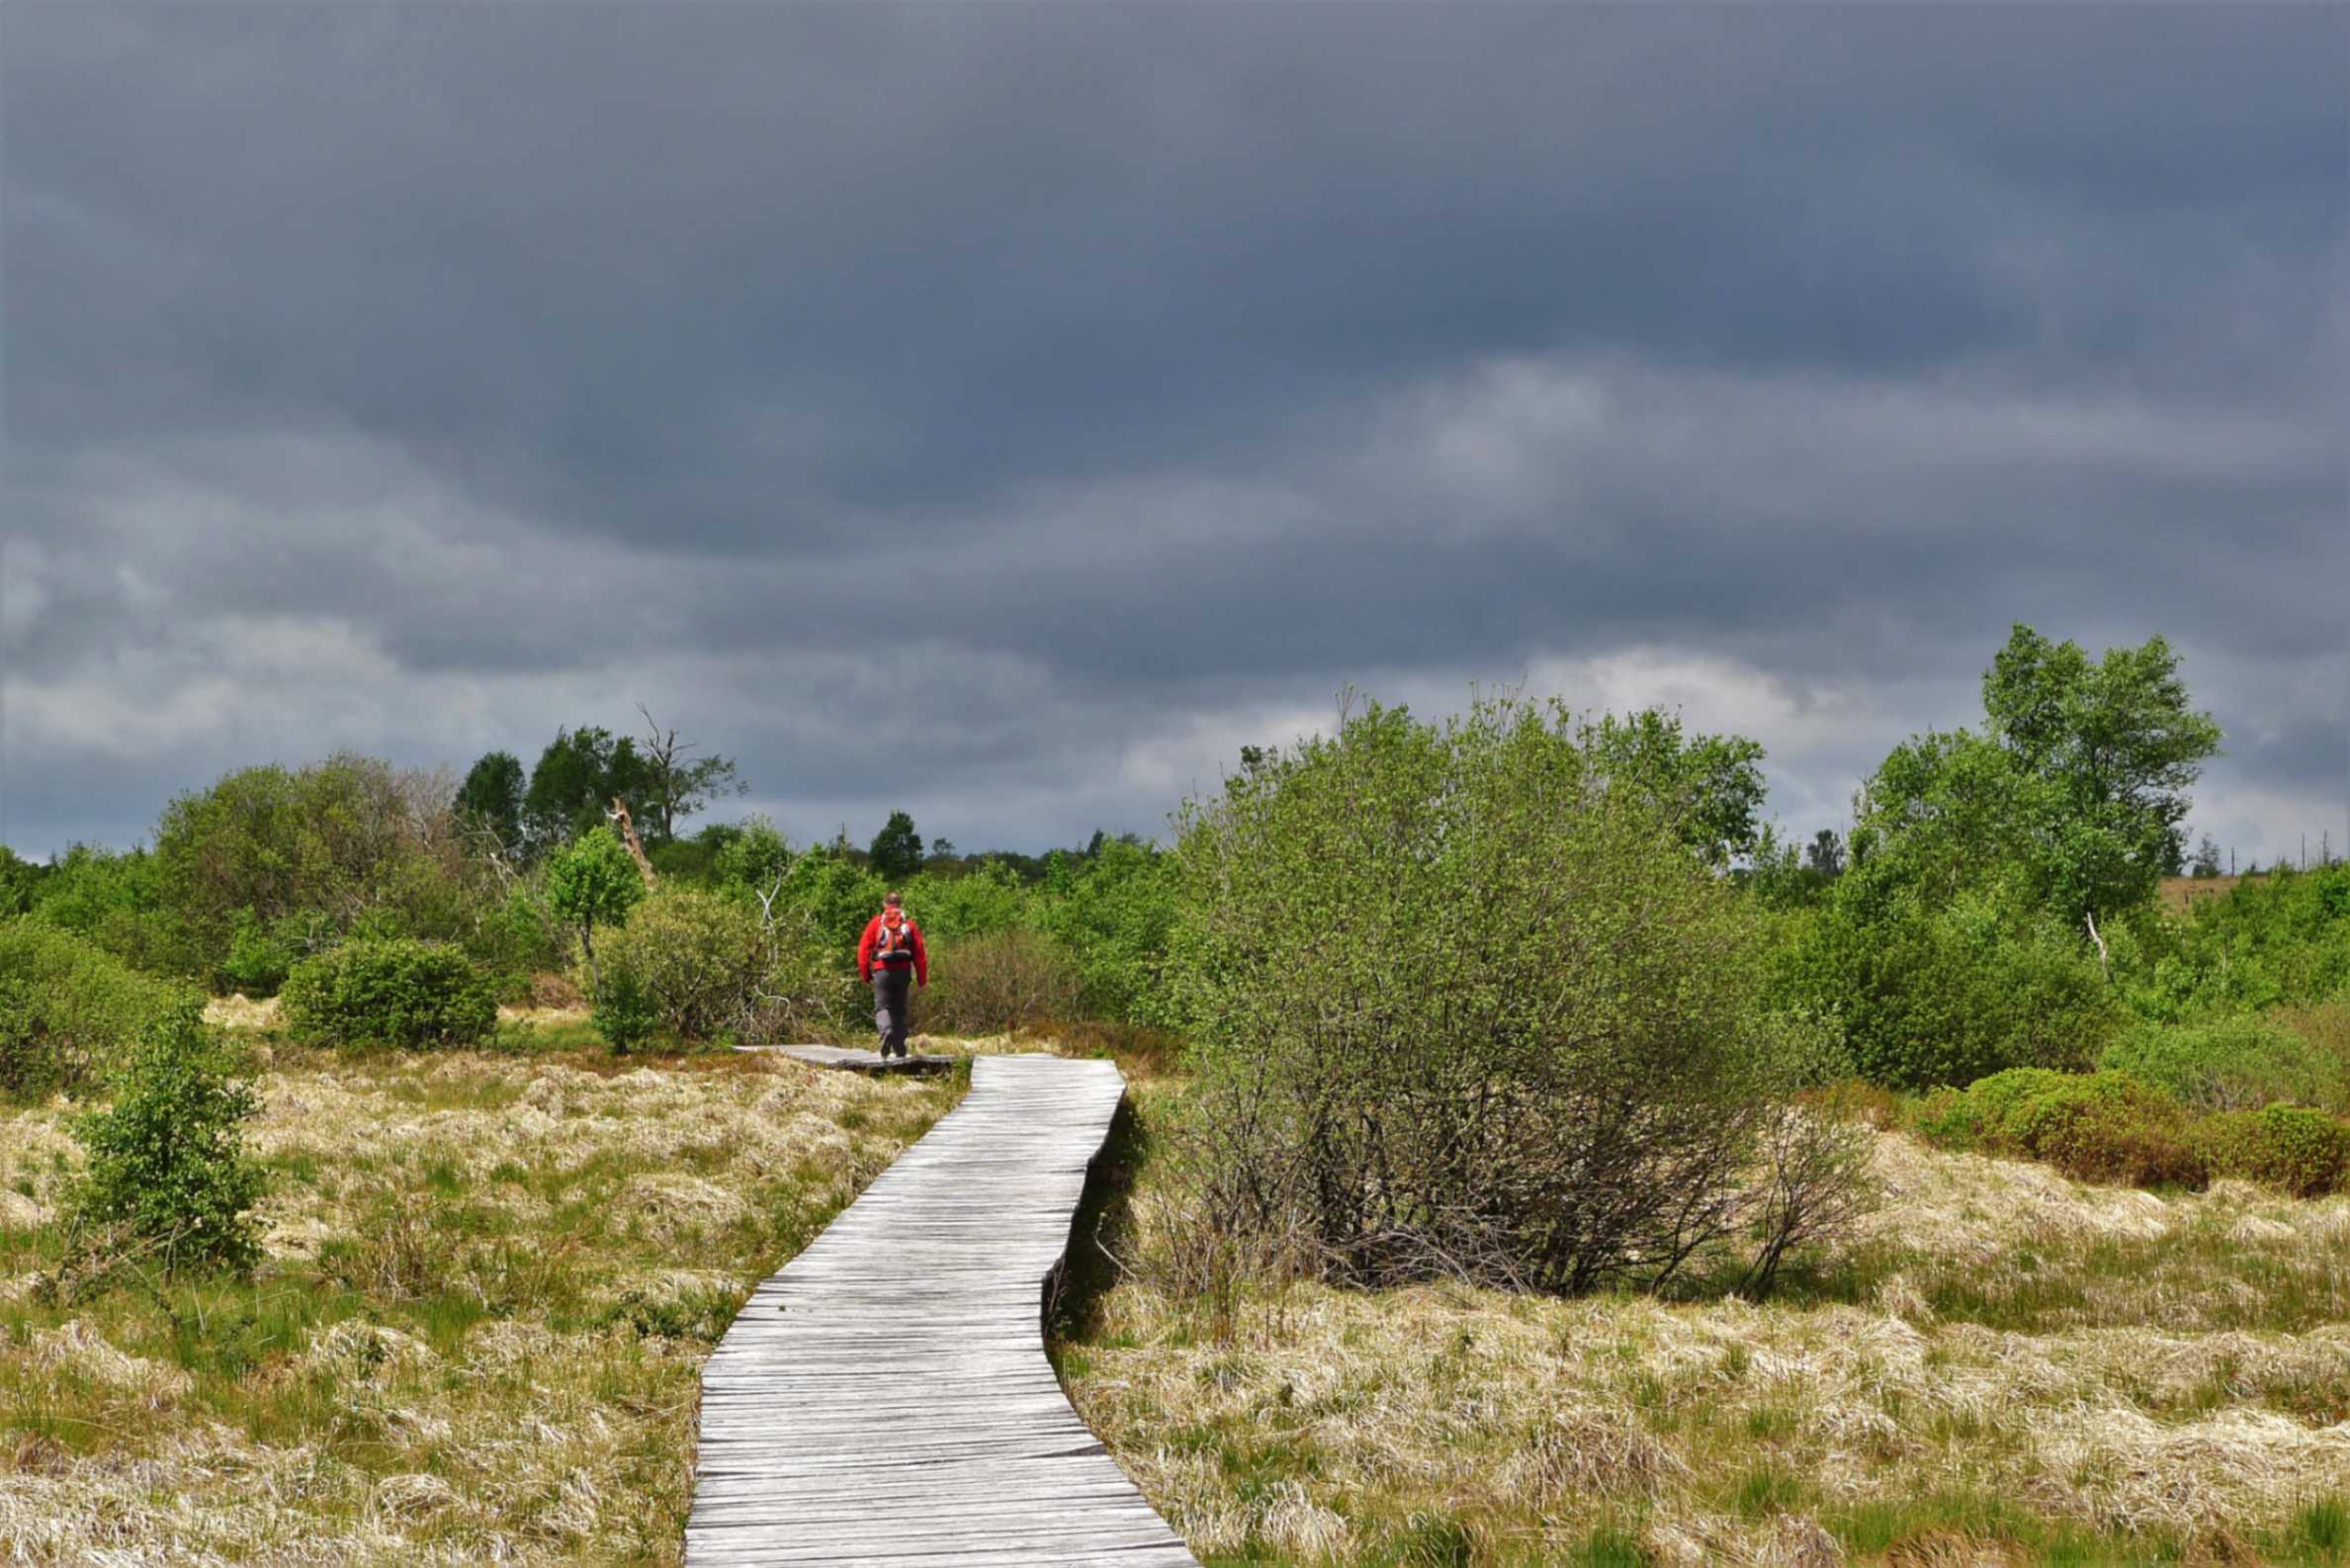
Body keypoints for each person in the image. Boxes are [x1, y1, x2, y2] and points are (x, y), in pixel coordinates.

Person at [856, 892, 927, 1059]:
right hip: (903, 971)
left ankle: (886, 1032)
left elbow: (863, 951)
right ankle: (899, 1047)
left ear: (884, 904)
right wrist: (922, 978)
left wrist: (865, 974)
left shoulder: (876, 923)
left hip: (882, 970)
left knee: (882, 1007)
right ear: (900, 904)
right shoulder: (909, 924)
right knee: (899, 1009)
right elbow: (920, 954)